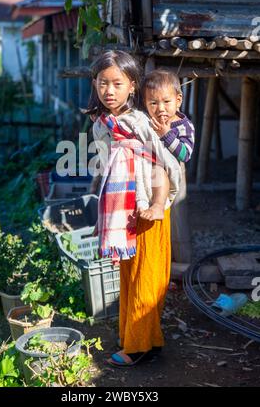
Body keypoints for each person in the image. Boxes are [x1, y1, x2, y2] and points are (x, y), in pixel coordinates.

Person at [87, 50, 181, 367]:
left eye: (117, 83)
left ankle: (138, 347)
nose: (109, 91)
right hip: (123, 214)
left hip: (147, 211)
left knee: (147, 278)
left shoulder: (140, 123)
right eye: (103, 83)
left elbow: (165, 166)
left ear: (132, 85)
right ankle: (142, 340)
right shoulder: (103, 124)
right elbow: (103, 165)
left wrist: (157, 204)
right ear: (95, 84)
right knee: (130, 277)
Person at [138, 69, 195, 221]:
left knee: (158, 169)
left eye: (166, 101)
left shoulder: (184, 126)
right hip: (143, 169)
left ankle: (157, 206)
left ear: (178, 100)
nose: (160, 108)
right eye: (153, 103)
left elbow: (185, 154)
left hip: (166, 174)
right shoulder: (146, 120)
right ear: (145, 104)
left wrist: (166, 135)